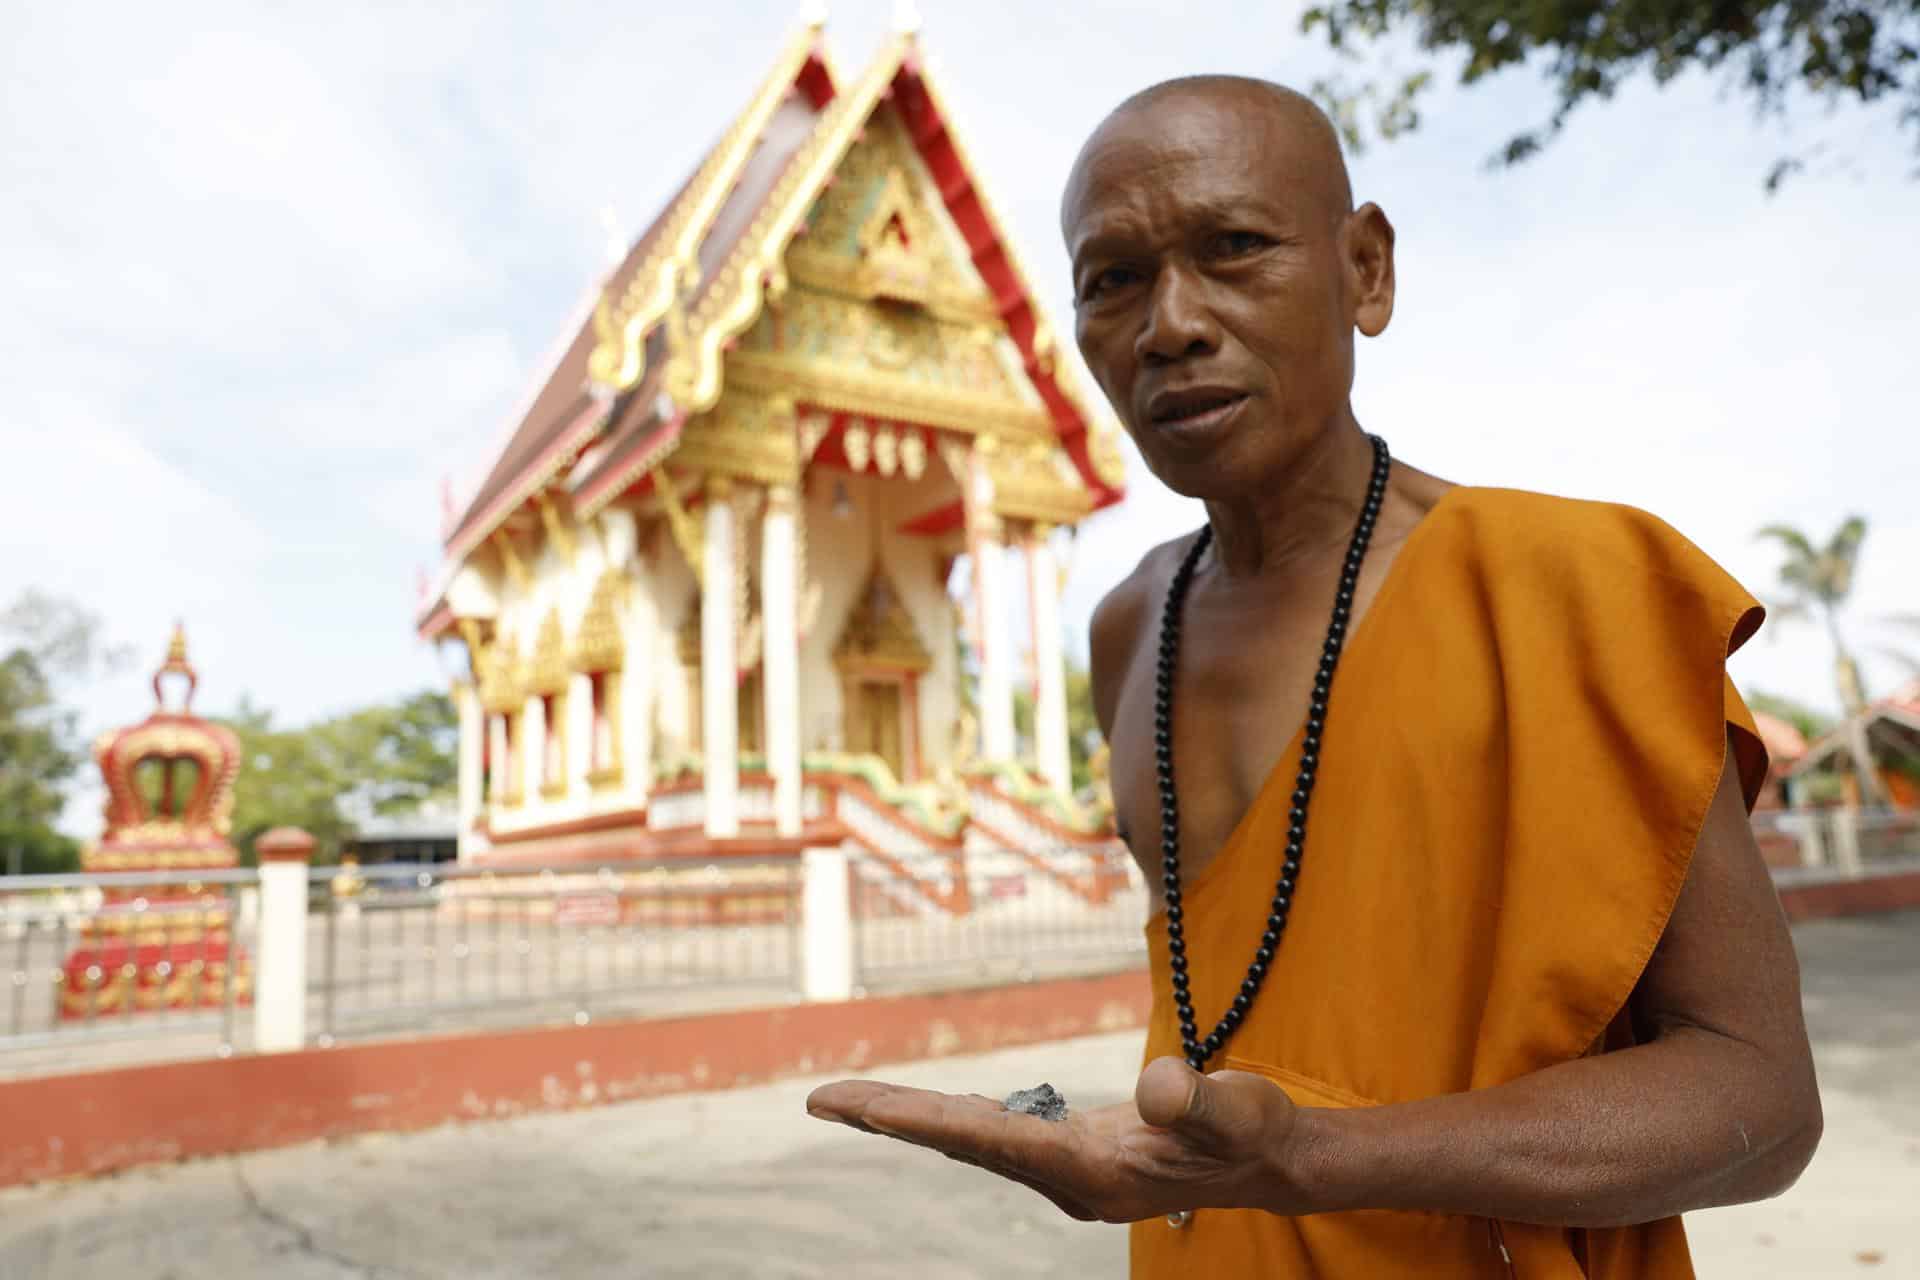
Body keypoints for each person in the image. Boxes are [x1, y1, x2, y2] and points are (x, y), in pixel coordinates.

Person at [806, 76, 1822, 1277]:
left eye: (1234, 248)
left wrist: (1320, 1155)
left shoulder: (1573, 588)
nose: (1171, 323)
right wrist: (1225, 1162)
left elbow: (1758, 1095)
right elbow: (1227, 1004)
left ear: (1366, 272)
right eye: (1112, 278)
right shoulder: (1130, 630)